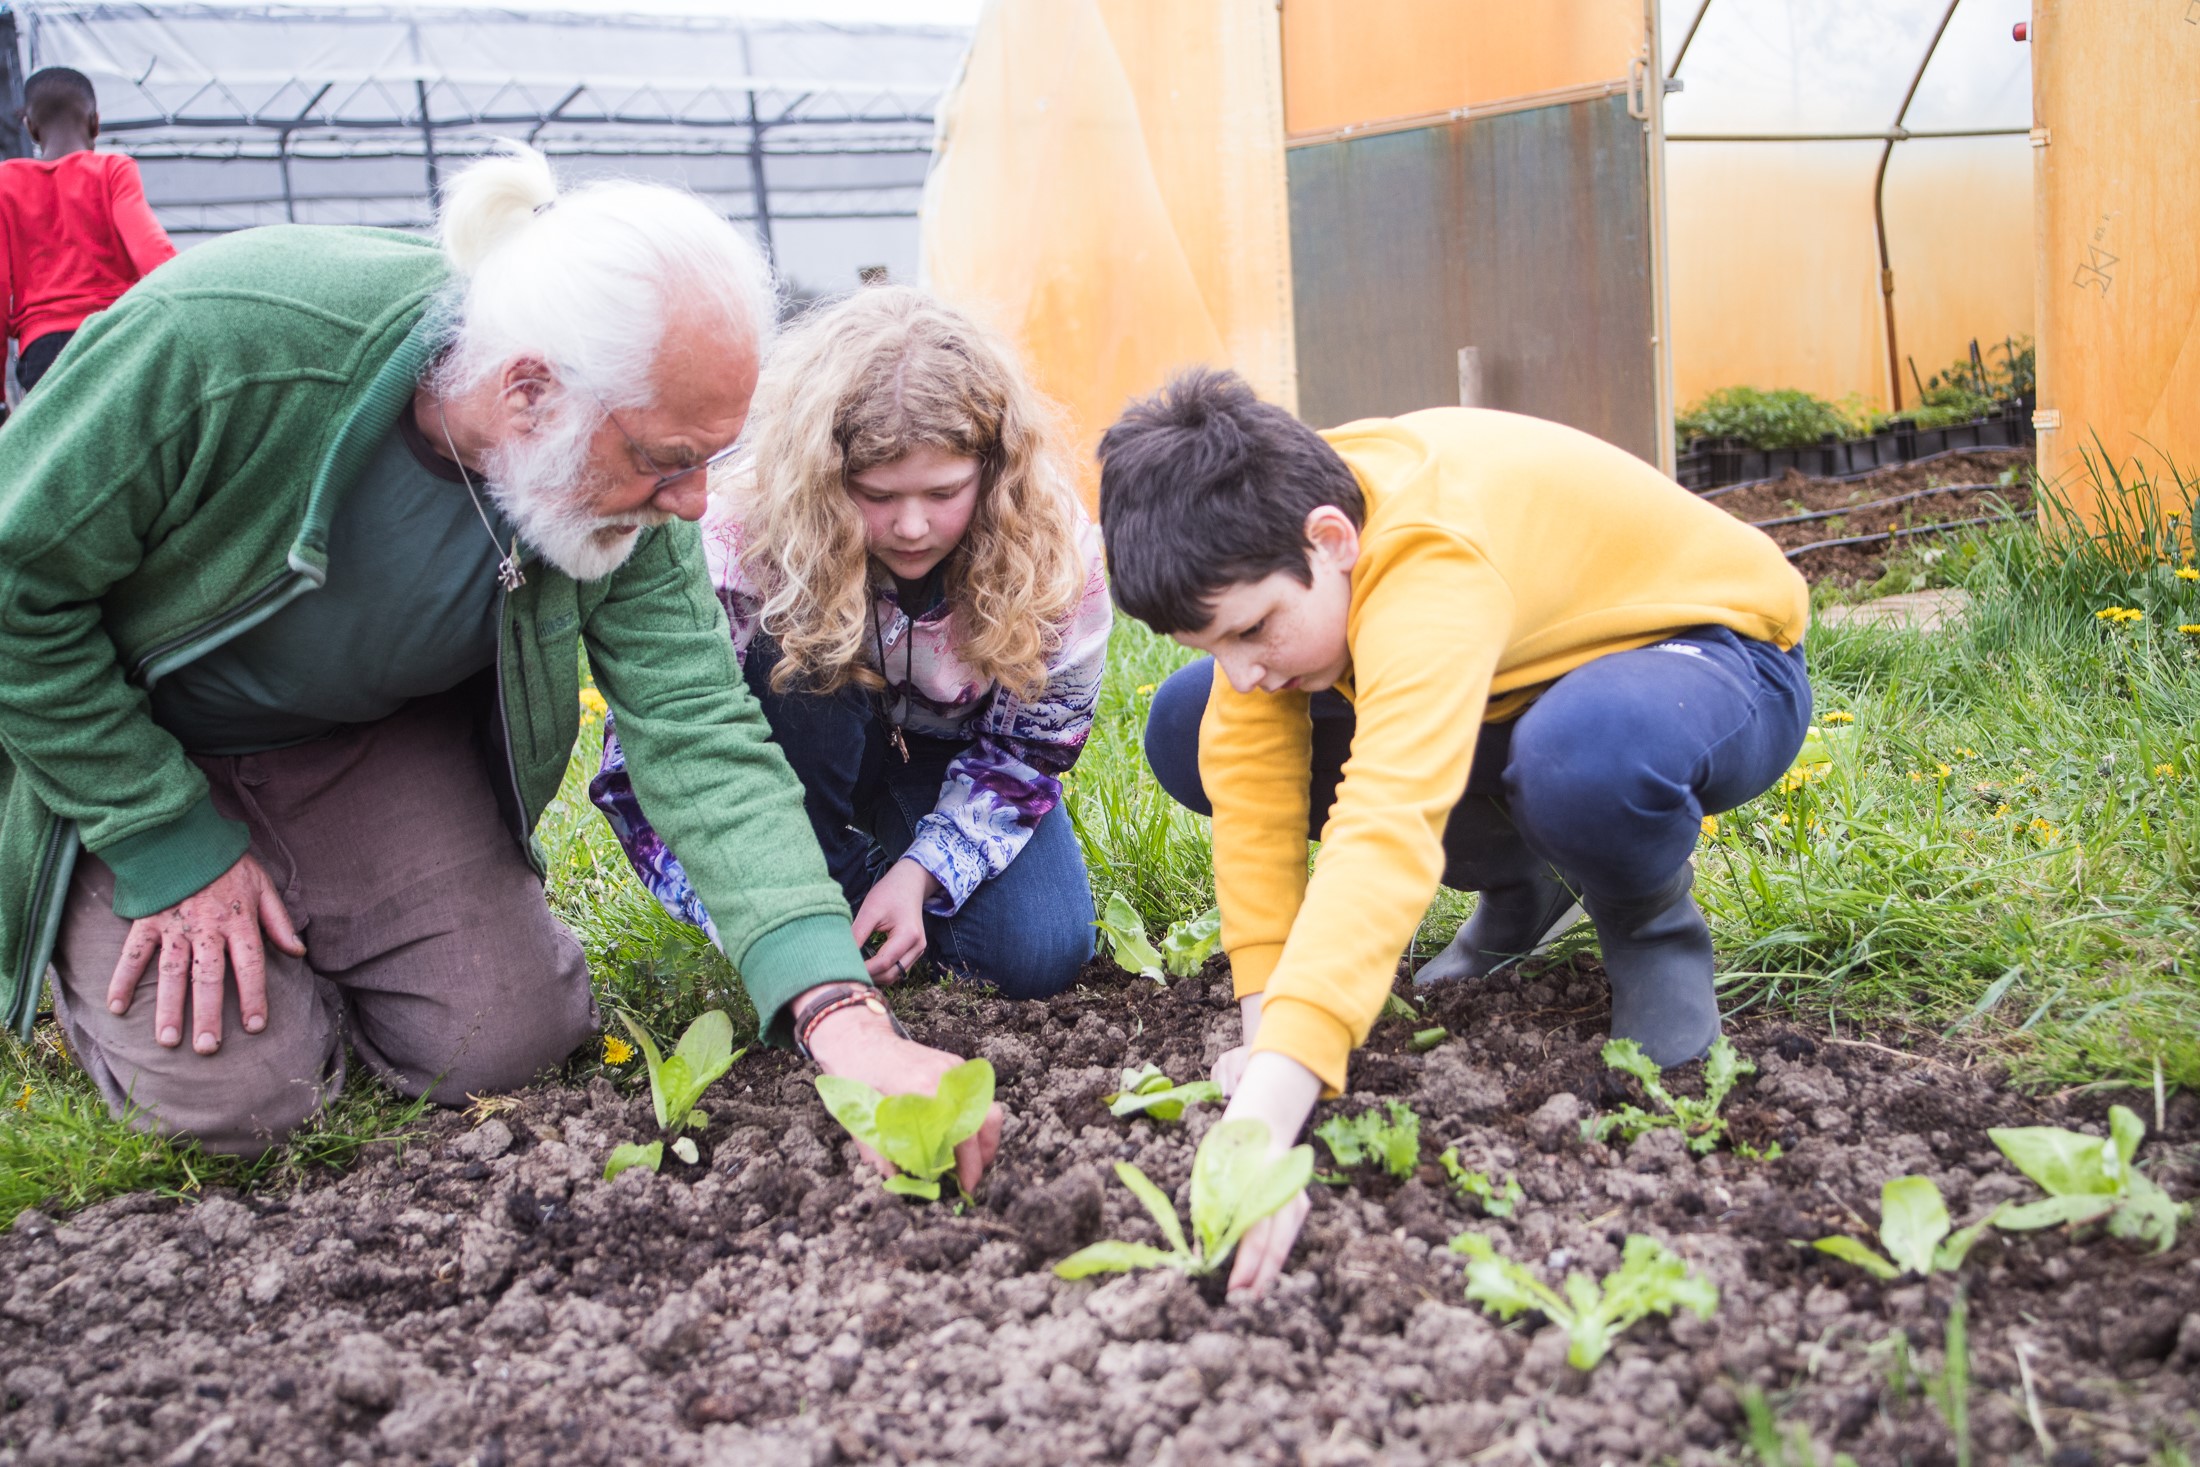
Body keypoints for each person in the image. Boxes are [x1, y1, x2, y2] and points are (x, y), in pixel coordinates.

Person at [0, 143, 999, 1189]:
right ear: (529, 393)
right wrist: (166, 839)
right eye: (667, 460)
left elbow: (698, 728)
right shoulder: (232, 340)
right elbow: (19, 589)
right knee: (246, 1107)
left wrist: (837, 1010)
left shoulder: (621, 485)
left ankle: (323, 932)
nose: (697, 504)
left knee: (507, 1035)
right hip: (136, 739)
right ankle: (97, 924)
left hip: (360, 745)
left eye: (710, 458)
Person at [1100, 369, 1811, 1297]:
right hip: (1517, 687)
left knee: (1583, 756)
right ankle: (1528, 885)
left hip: (1714, 657)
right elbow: (1254, 789)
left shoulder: (1427, 553)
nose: (1243, 671)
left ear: (1331, 541)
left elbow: (1386, 821)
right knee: (1191, 722)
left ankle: (1647, 925)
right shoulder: (1270, 535)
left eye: (1254, 630)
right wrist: (1267, 1015)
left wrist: (1267, 1123)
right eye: (1215, 643)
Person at [593, 286, 1108, 999]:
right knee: (797, 658)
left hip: (947, 759)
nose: (912, 528)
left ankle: (883, 887)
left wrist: (922, 870)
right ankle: (826, 885)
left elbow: (1032, 749)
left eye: (942, 492)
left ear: (992, 471)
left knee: (1036, 951)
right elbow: (648, 769)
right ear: (826, 475)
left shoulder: (1053, 551)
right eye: (877, 494)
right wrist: (768, 926)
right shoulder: (738, 540)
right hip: (790, 751)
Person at [0, 67, 175, 399]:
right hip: (116, 336)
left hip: (43, 352)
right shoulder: (113, 170)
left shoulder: (6, 182)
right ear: (96, 122)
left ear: (30, 128)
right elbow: (151, 252)